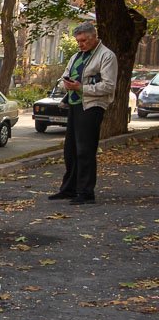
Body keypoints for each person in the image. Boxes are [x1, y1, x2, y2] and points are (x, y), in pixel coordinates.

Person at [50, 22, 118, 205]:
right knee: (70, 150)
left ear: (94, 37)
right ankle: (69, 189)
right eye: (78, 41)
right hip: (74, 104)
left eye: (84, 40)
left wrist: (82, 87)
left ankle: (86, 193)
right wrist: (65, 82)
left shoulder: (106, 56)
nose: (81, 44)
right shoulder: (76, 56)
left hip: (92, 106)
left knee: (85, 150)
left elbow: (109, 85)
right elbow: (65, 74)